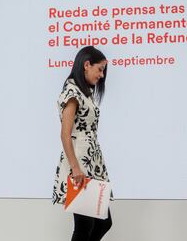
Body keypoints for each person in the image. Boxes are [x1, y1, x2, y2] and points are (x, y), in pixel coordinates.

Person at [52, 46, 113, 241]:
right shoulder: (72, 92)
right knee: (84, 227)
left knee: (103, 222)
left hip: (91, 161)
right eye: (100, 69)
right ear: (86, 65)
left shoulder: (84, 92)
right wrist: (75, 168)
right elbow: (65, 134)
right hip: (80, 164)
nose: (102, 75)